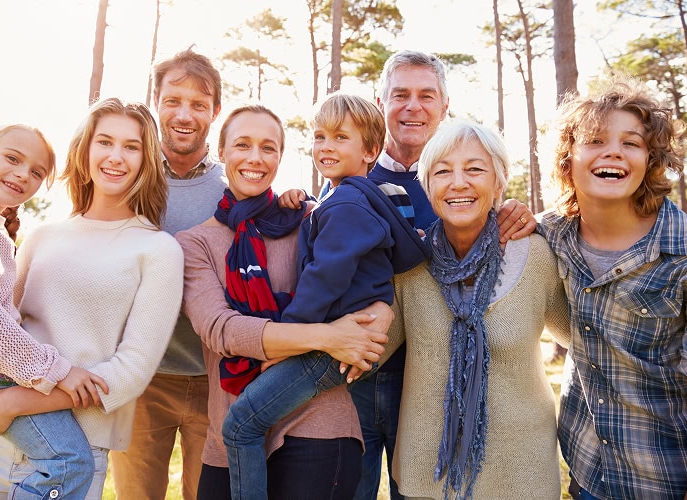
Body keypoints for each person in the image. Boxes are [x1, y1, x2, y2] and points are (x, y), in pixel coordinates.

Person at [0, 97, 184, 499]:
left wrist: (13, 402)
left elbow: (131, 373)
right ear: (86, 150)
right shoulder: (42, 236)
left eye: (131, 146)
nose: (116, 157)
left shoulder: (158, 249)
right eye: (105, 141)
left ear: (147, 160)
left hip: (73, 450)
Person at [344, 50, 537, 500]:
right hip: (358, 370)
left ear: (445, 104)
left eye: (426, 95)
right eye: (400, 95)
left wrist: (515, 212)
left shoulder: (461, 181)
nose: (413, 107)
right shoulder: (352, 176)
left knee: (420, 488)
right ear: (380, 101)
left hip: (428, 382)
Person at [176, 104, 394, 500]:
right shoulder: (195, 243)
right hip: (230, 429)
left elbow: (369, 277)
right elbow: (221, 330)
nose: (255, 158)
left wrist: (383, 310)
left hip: (318, 424)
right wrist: (324, 336)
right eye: (243, 145)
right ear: (222, 151)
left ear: (280, 156)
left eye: (268, 148)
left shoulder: (309, 219)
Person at [221, 93, 429, 500]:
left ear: (371, 150)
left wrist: (284, 340)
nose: (326, 147)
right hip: (332, 343)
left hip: (325, 350)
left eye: (339, 137)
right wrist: (308, 204)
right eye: (319, 137)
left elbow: (325, 276)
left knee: (241, 424)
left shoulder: (349, 203)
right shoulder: (349, 198)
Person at [379, 119, 569, 499]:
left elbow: (583, 337)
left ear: (499, 184)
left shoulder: (537, 256)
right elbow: (373, 348)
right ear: (428, 186)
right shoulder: (410, 262)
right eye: (443, 171)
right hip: (426, 474)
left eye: (475, 169)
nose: (459, 182)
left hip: (523, 473)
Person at [537, 78, 687, 500]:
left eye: (632, 143)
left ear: (651, 161)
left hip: (664, 479)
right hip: (588, 474)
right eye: (595, 140)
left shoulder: (682, 254)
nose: (614, 151)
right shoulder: (552, 235)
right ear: (568, 161)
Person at [0, 124, 109, 499]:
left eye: (36, 172)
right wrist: (57, 370)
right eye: (13, 159)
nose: (23, 175)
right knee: (70, 463)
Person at [111, 47, 226, 500]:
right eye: (173, 100)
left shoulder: (231, 187)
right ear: (155, 102)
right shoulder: (126, 177)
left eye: (198, 104)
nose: (184, 114)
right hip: (142, 377)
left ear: (215, 111)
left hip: (216, 377)